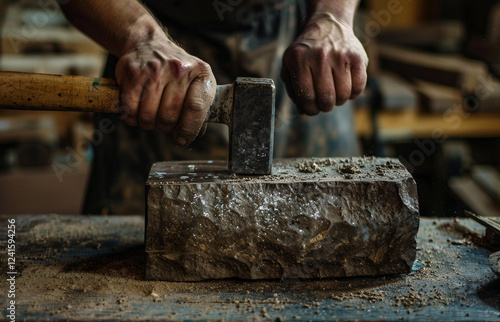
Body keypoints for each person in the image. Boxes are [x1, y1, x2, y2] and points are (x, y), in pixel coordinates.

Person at [60, 0, 368, 214]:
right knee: (138, 250)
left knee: (328, 218)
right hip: (156, 62)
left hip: (302, 49)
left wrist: (334, 15)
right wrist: (142, 37)